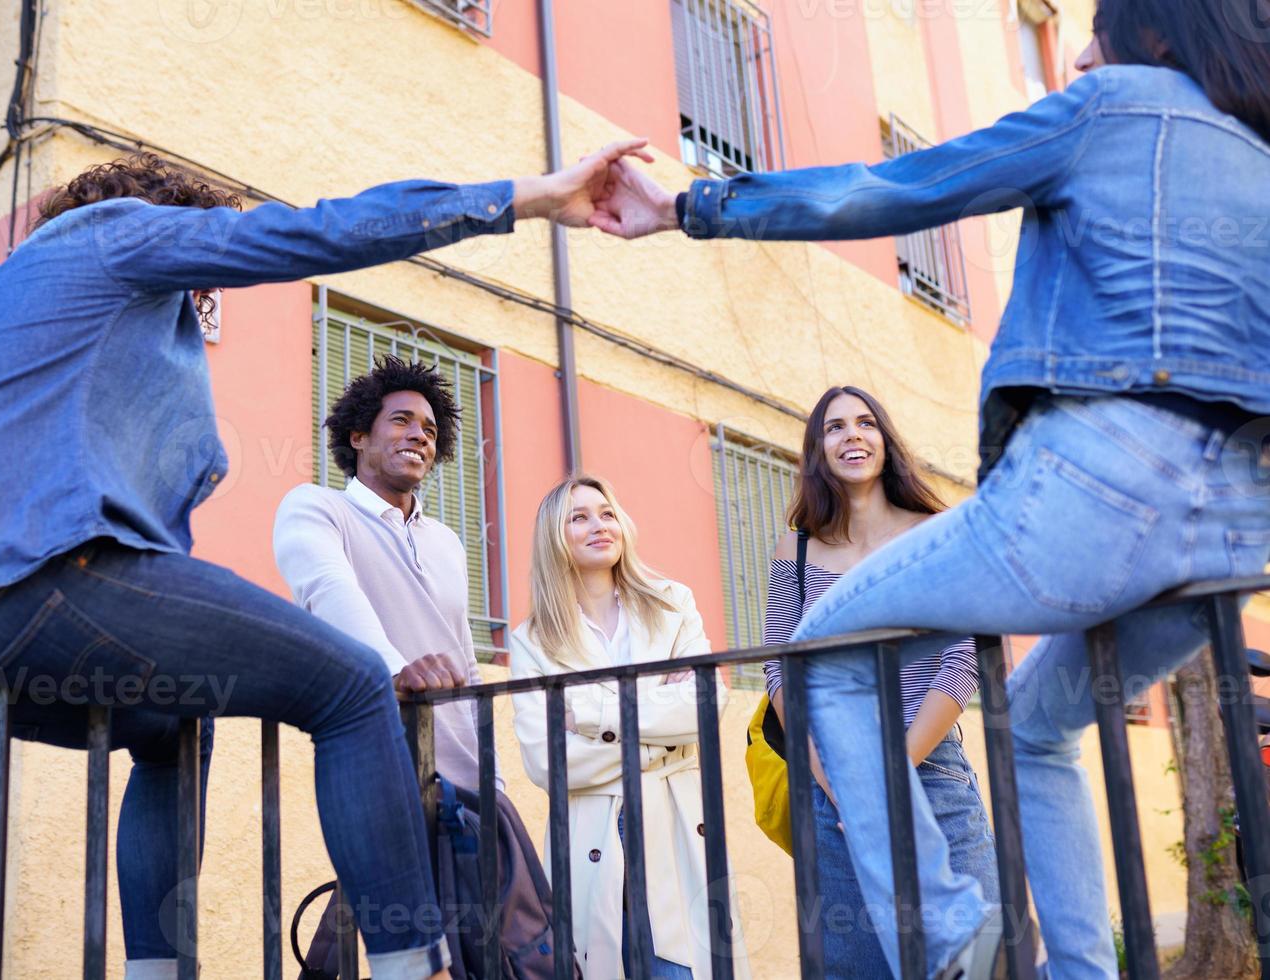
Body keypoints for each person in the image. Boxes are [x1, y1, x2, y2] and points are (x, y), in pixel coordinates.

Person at [0, 141, 653, 980]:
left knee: (171, 725)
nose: (202, 294)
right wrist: (527, 197)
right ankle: (416, 966)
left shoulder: (24, 305)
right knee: (348, 683)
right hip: (18, 578)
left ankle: (156, 973)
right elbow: (317, 232)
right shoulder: (117, 233)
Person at [589, 0, 1270, 975]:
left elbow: (897, 183)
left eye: (1095, 33)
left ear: (1150, 38)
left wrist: (690, 206)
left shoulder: (1109, 105)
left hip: (1098, 492)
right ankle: (1083, 967)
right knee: (1037, 724)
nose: (1076, 53)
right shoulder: (1256, 151)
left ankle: (951, 930)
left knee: (823, 651)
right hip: (1234, 531)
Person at [762, 386, 999, 977]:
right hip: (829, 782)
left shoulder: (935, 532)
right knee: (856, 967)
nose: (852, 436)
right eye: (835, 427)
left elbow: (963, 658)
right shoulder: (795, 547)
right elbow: (779, 668)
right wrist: (833, 778)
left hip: (931, 770)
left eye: (865, 423)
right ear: (818, 449)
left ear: (885, 441)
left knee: (984, 951)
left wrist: (886, 774)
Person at [508, 475, 748, 980]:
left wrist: (593, 715)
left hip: (676, 827)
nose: (600, 524)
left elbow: (704, 706)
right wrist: (664, 740)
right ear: (555, 537)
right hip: (589, 835)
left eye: (607, 512)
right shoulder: (531, 640)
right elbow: (547, 761)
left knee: (680, 969)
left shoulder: (671, 603)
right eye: (580, 517)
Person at [271, 354, 498, 789]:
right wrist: (394, 671)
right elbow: (329, 589)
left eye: (430, 430)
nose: (419, 435)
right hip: (371, 762)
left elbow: (466, 661)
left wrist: (493, 778)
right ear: (358, 436)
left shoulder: (447, 542)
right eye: (401, 421)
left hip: (467, 783)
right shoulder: (318, 507)